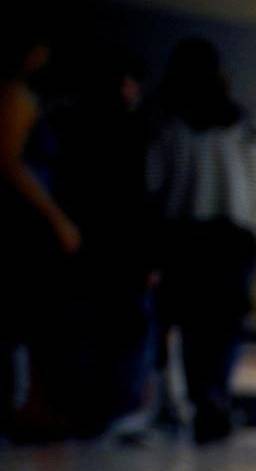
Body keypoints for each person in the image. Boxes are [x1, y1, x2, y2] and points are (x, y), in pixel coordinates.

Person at [147, 37, 256, 445]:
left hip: (184, 236)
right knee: (225, 326)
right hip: (234, 238)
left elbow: (154, 181)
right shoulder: (243, 126)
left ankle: (194, 396)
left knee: (189, 323)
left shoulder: (168, 122)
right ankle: (214, 394)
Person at [53, 46, 154, 438]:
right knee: (113, 330)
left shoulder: (77, 126)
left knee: (103, 329)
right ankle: (105, 410)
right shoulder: (133, 132)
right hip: (110, 245)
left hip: (101, 244)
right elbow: (144, 197)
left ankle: (96, 410)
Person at [1, 24, 81, 441]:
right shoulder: (15, 95)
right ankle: (22, 405)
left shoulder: (27, 96)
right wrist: (55, 217)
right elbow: (10, 161)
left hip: (29, 223)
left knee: (29, 320)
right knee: (22, 317)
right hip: (22, 223)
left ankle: (28, 403)